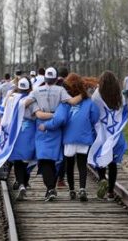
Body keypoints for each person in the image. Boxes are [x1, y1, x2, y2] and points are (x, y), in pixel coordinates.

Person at [39, 73, 99, 202]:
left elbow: (61, 119)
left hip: (69, 138)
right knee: (83, 164)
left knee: (70, 165)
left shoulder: (65, 102)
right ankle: (82, 188)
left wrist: (46, 126)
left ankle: (72, 189)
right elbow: (95, 118)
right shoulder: (89, 101)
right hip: (84, 137)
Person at [25, 67, 82, 201]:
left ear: (45, 78)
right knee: (55, 158)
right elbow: (73, 102)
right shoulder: (61, 90)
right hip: (56, 126)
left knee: (43, 158)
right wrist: (84, 94)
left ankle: (50, 188)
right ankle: (51, 187)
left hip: (41, 126)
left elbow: (25, 103)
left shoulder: (36, 91)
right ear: (57, 79)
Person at [88, 71, 128, 199]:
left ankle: (101, 178)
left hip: (100, 131)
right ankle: (111, 191)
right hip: (114, 132)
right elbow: (124, 112)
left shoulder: (96, 96)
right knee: (112, 162)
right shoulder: (120, 96)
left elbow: (94, 113)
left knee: (100, 155)